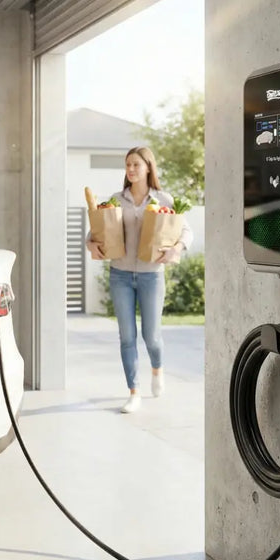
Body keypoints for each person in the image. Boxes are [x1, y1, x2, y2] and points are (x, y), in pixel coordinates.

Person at [86, 146, 193, 414]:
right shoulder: (115, 199)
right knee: (127, 336)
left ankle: (157, 369)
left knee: (152, 336)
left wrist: (177, 249)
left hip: (151, 276)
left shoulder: (163, 199)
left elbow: (186, 231)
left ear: (148, 167)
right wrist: (90, 244)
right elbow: (95, 230)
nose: (131, 169)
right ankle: (134, 392)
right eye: (128, 165)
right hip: (120, 274)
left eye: (136, 164)